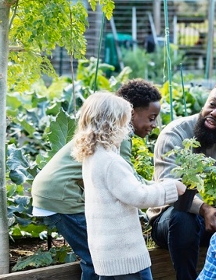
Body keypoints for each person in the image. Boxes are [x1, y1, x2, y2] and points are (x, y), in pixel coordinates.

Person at [31, 79, 164, 279]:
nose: (154, 125)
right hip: (63, 195)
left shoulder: (100, 134)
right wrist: (161, 189)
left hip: (54, 192)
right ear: (132, 113)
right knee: (100, 257)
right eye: (151, 118)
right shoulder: (117, 137)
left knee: (97, 258)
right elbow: (130, 182)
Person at [146, 76, 216, 280]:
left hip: (214, 221)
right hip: (168, 222)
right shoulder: (174, 134)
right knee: (182, 216)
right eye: (212, 105)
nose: (214, 113)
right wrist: (204, 208)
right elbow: (169, 190)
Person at [71, 91, 186, 279]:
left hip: (106, 256)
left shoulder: (93, 156)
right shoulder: (111, 162)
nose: (127, 129)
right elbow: (139, 196)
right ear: (112, 125)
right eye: (125, 123)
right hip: (126, 257)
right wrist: (172, 187)